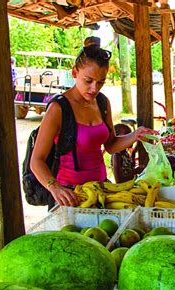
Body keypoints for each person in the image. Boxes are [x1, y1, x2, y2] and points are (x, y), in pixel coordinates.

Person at [30, 36, 157, 208]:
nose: (94, 88)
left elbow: (111, 145)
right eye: (88, 81)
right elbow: (36, 160)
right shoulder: (58, 108)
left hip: (101, 189)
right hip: (70, 195)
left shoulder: (102, 102)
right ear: (74, 73)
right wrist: (55, 187)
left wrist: (135, 135)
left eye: (101, 82)